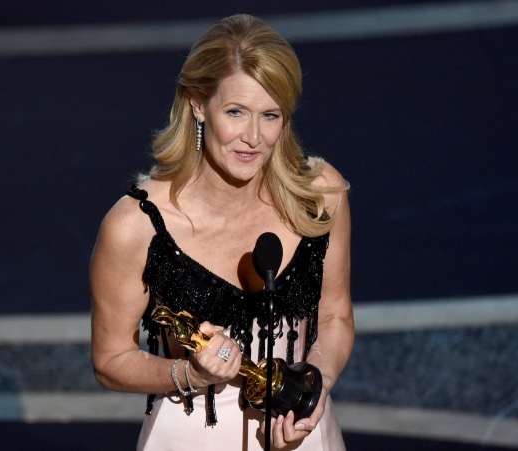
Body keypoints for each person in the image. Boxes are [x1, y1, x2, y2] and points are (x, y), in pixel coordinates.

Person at [90, 14, 353, 450]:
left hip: (303, 434)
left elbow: (335, 316)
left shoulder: (320, 194)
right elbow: (110, 360)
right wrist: (190, 373)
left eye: (270, 115)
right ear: (198, 103)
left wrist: (310, 394)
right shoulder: (135, 225)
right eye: (236, 112)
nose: (253, 138)